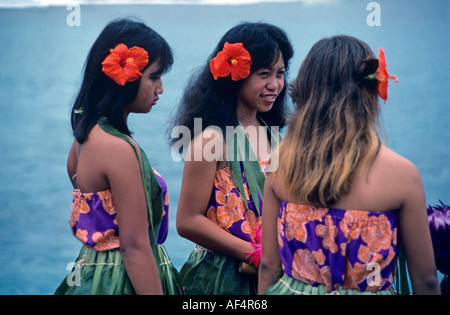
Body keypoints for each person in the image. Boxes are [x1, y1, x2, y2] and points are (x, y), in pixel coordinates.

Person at [258, 35, 441, 295]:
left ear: (305, 92)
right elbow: (425, 281)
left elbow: (268, 266)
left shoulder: (279, 164)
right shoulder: (403, 175)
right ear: (371, 91)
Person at [55, 18, 183, 295]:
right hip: (121, 282)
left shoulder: (85, 135)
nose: (160, 88)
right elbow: (134, 247)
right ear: (125, 76)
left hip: (92, 272)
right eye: (154, 77)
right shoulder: (118, 148)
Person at [169, 22, 293, 295]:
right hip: (222, 278)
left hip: (273, 272)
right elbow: (187, 220)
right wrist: (253, 254)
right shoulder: (211, 139)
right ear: (235, 75)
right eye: (264, 74)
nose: (275, 85)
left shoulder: (275, 136)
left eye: (280, 74)